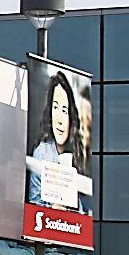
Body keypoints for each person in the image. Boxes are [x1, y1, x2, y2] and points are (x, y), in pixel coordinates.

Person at [28, 73, 85, 208]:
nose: (59, 120)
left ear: (71, 116)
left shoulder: (77, 152)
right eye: (55, 108)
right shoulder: (42, 153)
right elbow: (34, 202)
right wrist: (54, 207)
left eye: (64, 110)